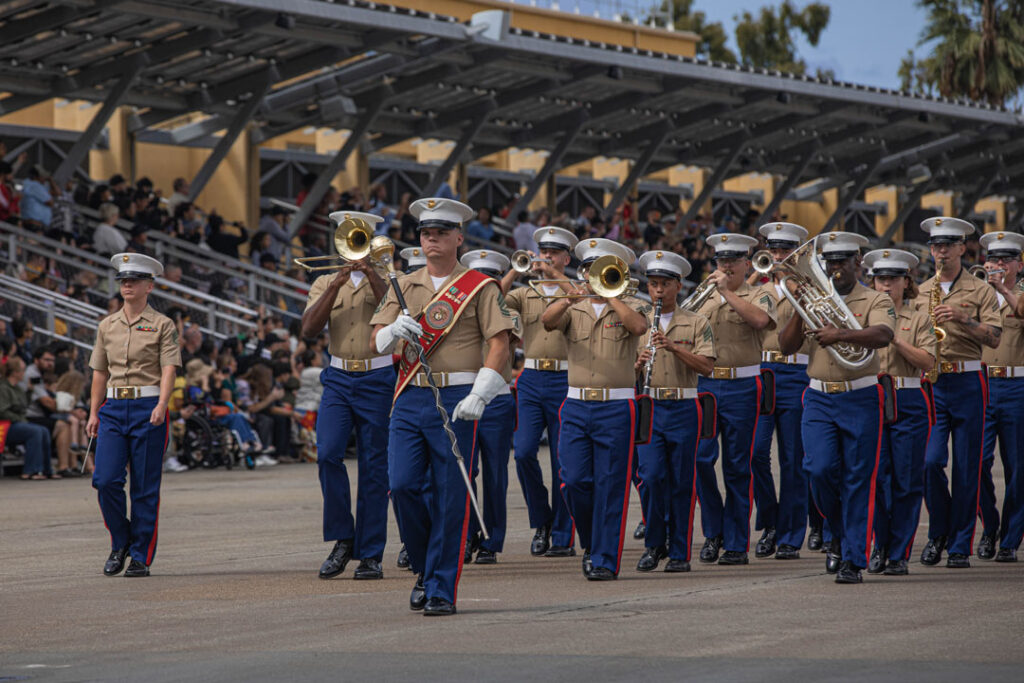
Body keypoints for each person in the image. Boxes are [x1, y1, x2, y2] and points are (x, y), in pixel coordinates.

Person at [370, 197, 515, 616]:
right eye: (424, 233)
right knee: (401, 485)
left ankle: (440, 588)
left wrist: (481, 393)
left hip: (458, 398)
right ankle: (424, 565)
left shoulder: (479, 286)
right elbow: (375, 340)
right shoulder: (404, 283)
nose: (430, 238)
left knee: (452, 497)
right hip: (411, 394)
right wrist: (393, 329)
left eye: (439, 232)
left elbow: (500, 342)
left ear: (458, 237)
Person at [779, 232, 895, 584]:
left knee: (859, 479)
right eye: (830, 262)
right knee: (817, 469)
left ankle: (852, 559)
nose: (835, 269)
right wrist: (799, 309)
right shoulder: (813, 298)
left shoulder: (875, 298)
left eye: (843, 262)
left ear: (858, 263)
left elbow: (883, 336)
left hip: (860, 396)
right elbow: (786, 347)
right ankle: (836, 533)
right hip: (818, 396)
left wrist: (840, 335)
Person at [541, 238, 649, 580]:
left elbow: (639, 328)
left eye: (603, 270)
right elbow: (546, 321)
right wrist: (570, 296)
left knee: (610, 484)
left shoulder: (632, 305)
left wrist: (612, 296)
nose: (594, 276)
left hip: (617, 406)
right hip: (575, 404)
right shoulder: (574, 306)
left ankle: (604, 559)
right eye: (590, 269)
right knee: (573, 480)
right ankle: (591, 540)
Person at [300, 211, 393, 581]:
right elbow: (308, 328)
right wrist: (337, 285)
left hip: (378, 377)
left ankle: (370, 553)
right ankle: (343, 538)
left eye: (360, 237)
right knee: (328, 455)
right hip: (338, 377)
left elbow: (394, 308)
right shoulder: (324, 281)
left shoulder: (388, 278)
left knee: (374, 467)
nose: (353, 246)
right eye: (348, 237)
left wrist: (370, 273)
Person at [913, 217, 1001, 569]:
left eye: (949, 245)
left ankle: (961, 543)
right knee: (930, 461)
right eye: (936, 246)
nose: (942, 251)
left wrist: (964, 319)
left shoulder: (980, 291)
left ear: (963, 248)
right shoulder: (920, 291)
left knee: (968, 466)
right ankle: (939, 532)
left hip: (967, 381)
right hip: (932, 383)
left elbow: (994, 338)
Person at [87, 253, 181, 578]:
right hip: (113, 408)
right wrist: (93, 411)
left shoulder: (163, 325)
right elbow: (99, 372)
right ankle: (121, 541)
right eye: (124, 280)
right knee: (105, 480)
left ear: (149, 286)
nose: (127, 284)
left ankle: (140, 555)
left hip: (148, 406)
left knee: (144, 486)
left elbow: (169, 368)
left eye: (134, 280)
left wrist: (162, 403)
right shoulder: (106, 325)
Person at [692, 233, 776, 566]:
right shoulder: (704, 296)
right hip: (707, 385)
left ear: (746, 262)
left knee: (738, 466)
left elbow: (759, 321)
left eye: (733, 261)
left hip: (743, 386)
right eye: (720, 261)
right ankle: (713, 531)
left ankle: (737, 542)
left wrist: (725, 292)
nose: (725, 266)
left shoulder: (760, 292)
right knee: (700, 459)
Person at [499, 226, 579, 558]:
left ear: (565, 257)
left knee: (563, 462)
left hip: (564, 379)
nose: (546, 257)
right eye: (542, 252)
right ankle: (541, 521)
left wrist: (555, 275)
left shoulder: (574, 289)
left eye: (553, 253)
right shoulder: (525, 292)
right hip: (531, 378)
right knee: (524, 452)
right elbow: (492, 300)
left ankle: (562, 534)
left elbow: (580, 296)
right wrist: (514, 270)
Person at [634, 250, 715, 572]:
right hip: (651, 405)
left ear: (678, 286)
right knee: (651, 477)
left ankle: (680, 551)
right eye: (653, 284)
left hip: (683, 405)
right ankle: (655, 543)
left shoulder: (696, 322)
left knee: (682, 481)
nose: (657, 290)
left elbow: (707, 366)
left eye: (664, 284)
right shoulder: (640, 322)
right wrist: (637, 366)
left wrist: (673, 347)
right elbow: (629, 370)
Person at [863, 248, 936, 575]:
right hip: (872, 399)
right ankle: (880, 544)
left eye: (893, 279)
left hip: (907, 400)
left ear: (907, 283)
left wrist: (892, 339)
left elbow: (928, 362)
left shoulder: (918, 318)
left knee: (906, 480)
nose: (885, 285)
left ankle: (899, 552)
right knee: (876, 477)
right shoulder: (862, 317)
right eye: (880, 279)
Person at [750, 223, 811, 560]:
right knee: (755, 453)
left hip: (797, 371)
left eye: (784, 250)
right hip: (762, 371)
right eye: (773, 249)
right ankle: (770, 519)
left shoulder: (810, 288)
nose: (777, 256)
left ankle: (790, 534)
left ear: (796, 253)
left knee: (793, 459)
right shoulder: (758, 287)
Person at [459, 249, 519, 564]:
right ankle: (467, 536)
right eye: (477, 278)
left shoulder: (507, 309)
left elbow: (507, 339)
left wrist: (495, 291)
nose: (482, 284)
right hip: (463, 394)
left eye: (488, 279)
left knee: (495, 474)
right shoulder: (457, 311)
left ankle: (491, 541)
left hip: (496, 399)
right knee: (463, 471)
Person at [975, 231, 1024, 563]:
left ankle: (1010, 537)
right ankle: (989, 525)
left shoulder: (1018, 293)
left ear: (1019, 264)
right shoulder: (975, 295)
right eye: (992, 260)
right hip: (979, 385)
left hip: (1016, 386)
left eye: (1005, 260)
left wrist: (1004, 289)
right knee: (974, 462)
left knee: (1017, 467)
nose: (997, 265)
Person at [0, 357, 56, 479]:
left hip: (16, 422)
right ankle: (31, 470)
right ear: (15, 372)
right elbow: (2, 411)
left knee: (44, 430)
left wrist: (29, 391)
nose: (24, 374)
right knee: (34, 432)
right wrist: (19, 418)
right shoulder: (3, 388)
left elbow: (24, 406)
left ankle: (46, 470)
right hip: (5, 425)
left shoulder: (18, 388)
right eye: (22, 370)